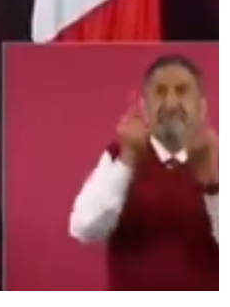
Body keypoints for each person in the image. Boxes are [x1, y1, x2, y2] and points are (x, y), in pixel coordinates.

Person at [69, 54, 219, 290]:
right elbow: (84, 228)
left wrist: (213, 186)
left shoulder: (221, 159)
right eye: (160, 92)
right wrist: (128, 161)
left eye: (181, 91)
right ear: (144, 106)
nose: (170, 104)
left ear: (202, 107)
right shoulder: (119, 154)